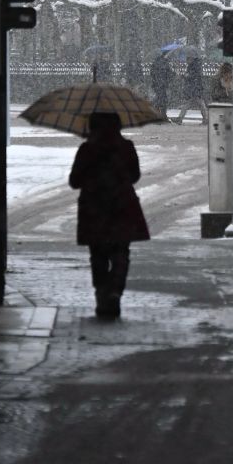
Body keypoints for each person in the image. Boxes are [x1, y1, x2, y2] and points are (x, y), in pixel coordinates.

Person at [68, 111, 150, 320]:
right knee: (121, 252)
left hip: (94, 208)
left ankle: (102, 292)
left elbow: (74, 181)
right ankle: (115, 290)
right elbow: (135, 176)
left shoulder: (87, 149)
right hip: (121, 206)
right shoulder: (126, 147)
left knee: (98, 254)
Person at [174, 51, 206, 124]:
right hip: (194, 89)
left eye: (187, 59)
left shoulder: (195, 66)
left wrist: (186, 76)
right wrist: (184, 76)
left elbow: (195, 76)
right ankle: (205, 119)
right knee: (198, 104)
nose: (186, 61)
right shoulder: (194, 66)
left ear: (191, 59)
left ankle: (180, 118)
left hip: (195, 88)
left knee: (198, 104)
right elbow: (191, 76)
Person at [150, 52, 170, 120]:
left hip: (157, 84)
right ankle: (161, 115)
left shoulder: (156, 63)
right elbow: (168, 73)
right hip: (162, 84)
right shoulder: (164, 63)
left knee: (160, 99)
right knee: (162, 100)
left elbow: (152, 73)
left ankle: (159, 115)